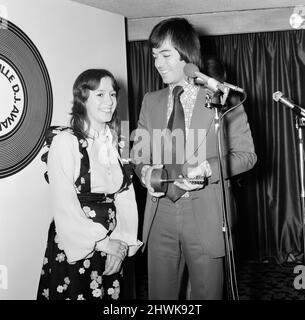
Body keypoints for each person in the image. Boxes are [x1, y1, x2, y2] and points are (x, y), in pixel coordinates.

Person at [132, 17, 257, 300]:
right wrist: (144, 172)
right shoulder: (150, 101)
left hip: (206, 215)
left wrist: (209, 169)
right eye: (154, 57)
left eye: (165, 55)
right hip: (160, 212)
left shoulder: (222, 98)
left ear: (187, 56)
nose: (158, 64)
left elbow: (247, 156)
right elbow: (139, 155)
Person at [37, 69, 141, 300]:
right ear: (82, 99)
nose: (110, 101)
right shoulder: (65, 142)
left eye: (113, 94)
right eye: (100, 95)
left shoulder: (113, 143)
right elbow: (64, 205)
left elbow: (124, 197)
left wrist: (121, 244)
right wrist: (103, 243)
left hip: (113, 245)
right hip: (79, 246)